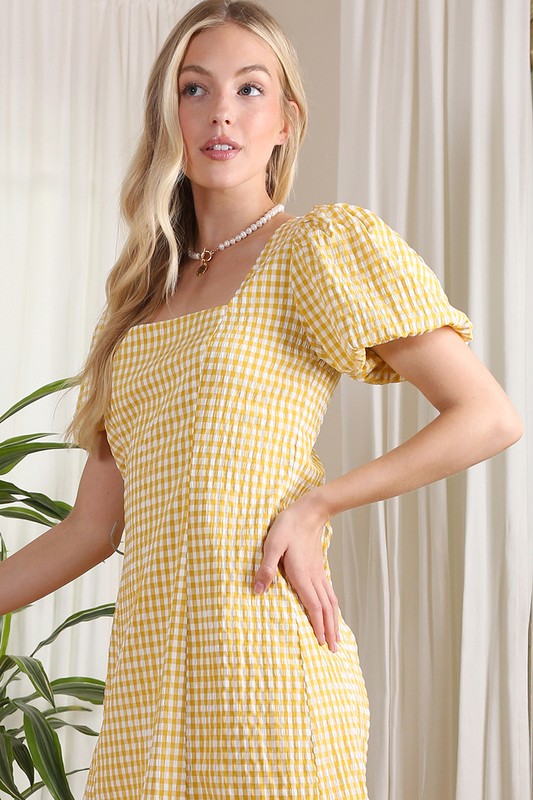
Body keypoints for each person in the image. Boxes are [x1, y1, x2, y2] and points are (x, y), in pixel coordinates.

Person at [0, 1, 523, 798]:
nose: (221, 113)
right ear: (167, 114)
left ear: (285, 119)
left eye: (250, 89)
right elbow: (91, 528)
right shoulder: (136, 305)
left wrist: (319, 505)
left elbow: (486, 415)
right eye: (195, 89)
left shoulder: (312, 249)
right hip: (148, 688)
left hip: (265, 665)